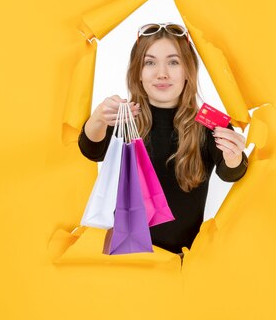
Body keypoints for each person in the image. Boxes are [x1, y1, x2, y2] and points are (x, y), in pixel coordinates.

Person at [78, 23, 248, 261]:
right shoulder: (124, 119)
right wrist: (97, 119)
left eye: (173, 62)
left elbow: (232, 172)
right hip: (126, 261)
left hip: (182, 264)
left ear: (189, 70)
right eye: (150, 62)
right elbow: (91, 149)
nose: (162, 73)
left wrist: (234, 155)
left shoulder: (209, 125)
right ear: (137, 71)